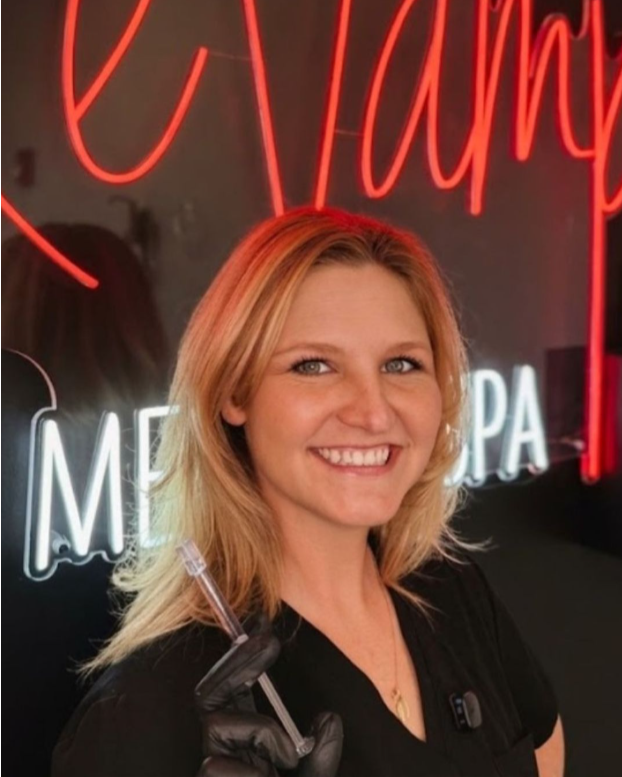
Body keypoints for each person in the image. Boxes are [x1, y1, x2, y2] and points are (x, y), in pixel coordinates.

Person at [51, 207, 563, 777]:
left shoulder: (453, 594)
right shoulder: (149, 709)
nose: (374, 412)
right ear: (233, 393)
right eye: (314, 366)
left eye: (401, 364)